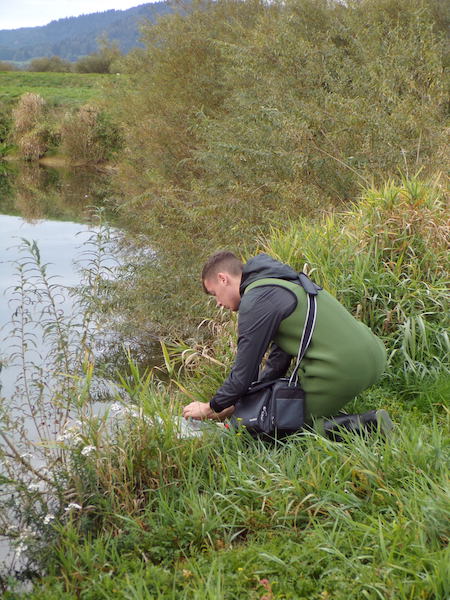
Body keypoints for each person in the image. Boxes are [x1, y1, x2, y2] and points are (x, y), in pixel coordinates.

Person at [182, 251, 393, 439]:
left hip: (344, 368)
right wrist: (245, 402)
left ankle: (370, 425)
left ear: (223, 279)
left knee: (281, 425)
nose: (218, 303)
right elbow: (279, 358)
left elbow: (243, 373)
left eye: (214, 294)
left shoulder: (255, 301)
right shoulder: (277, 282)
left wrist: (211, 407)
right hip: (373, 354)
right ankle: (335, 410)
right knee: (274, 410)